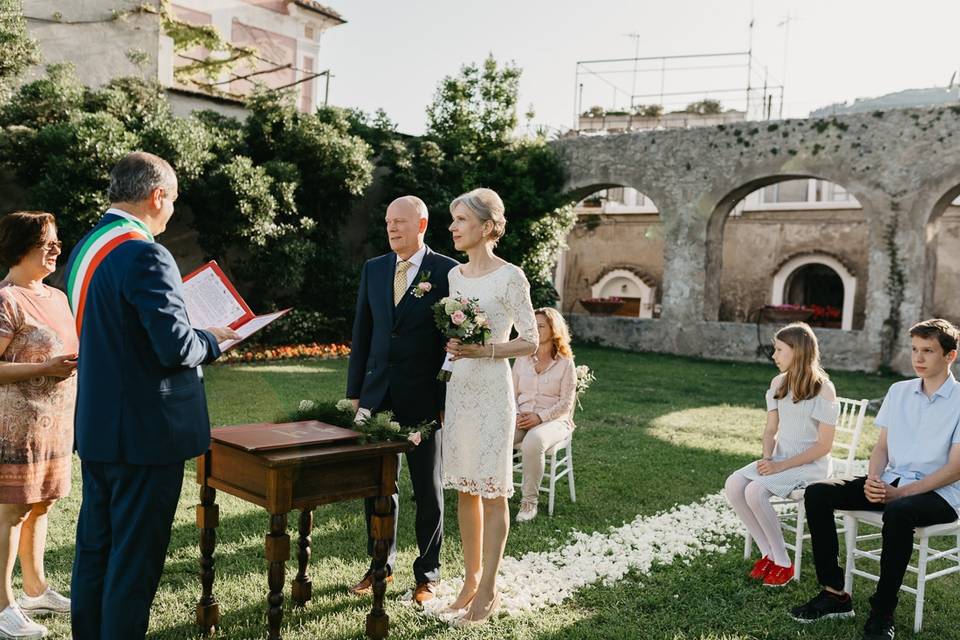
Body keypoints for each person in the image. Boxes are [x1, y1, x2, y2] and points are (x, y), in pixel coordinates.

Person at [65, 152, 238, 640]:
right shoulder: (146, 253)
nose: (172, 213)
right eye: (173, 201)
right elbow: (176, 346)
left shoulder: (88, 246)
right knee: (134, 564)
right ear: (156, 195)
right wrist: (214, 338)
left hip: (99, 426)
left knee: (96, 550)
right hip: (143, 434)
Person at [790, 318, 960, 640]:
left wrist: (902, 494)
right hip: (892, 480)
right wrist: (872, 478)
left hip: (941, 493)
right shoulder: (899, 391)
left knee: (898, 512)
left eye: (928, 351)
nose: (918, 358)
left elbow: (955, 468)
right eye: (914, 350)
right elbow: (881, 447)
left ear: (950, 356)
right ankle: (835, 594)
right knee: (817, 493)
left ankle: (882, 613)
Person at [345, 195, 457, 605]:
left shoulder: (447, 271)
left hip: (425, 397)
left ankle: (428, 575)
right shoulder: (374, 270)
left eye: (401, 222)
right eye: (389, 222)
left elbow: (452, 344)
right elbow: (363, 334)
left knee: (428, 488)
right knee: (377, 487)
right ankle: (380, 567)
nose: (392, 229)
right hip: (377, 396)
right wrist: (355, 394)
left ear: (422, 224)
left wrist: (446, 397)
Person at [442, 188, 538, 625]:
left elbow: (531, 341)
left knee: (493, 491)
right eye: (453, 219)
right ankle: (469, 579)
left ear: (486, 227)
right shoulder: (455, 277)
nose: (453, 227)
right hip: (459, 387)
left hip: (493, 391)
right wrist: (456, 345)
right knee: (465, 487)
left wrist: (488, 351)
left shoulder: (511, 276)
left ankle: (489, 591)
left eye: (461, 220)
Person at [0, 212, 77, 640]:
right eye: (47, 241)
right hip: (14, 425)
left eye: (56, 241)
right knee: (11, 510)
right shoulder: (6, 299)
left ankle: (35, 590)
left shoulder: (57, 297)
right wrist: (44, 367)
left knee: (42, 503)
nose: (56, 248)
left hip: (56, 423)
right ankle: (2, 606)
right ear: (21, 245)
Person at [725, 322, 839, 587]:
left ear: (797, 351)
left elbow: (824, 446)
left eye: (779, 350)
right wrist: (768, 458)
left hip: (811, 466)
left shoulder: (824, 389)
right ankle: (769, 553)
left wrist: (781, 466)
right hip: (780, 460)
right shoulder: (777, 383)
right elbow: (770, 430)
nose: (773, 356)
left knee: (754, 491)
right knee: (734, 484)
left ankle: (784, 564)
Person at [512, 307, 577, 523]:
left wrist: (539, 418)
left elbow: (566, 404)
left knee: (534, 441)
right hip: (522, 416)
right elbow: (510, 392)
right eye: (533, 325)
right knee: (501, 436)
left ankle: (529, 502)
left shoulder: (565, 363)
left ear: (554, 329)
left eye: (541, 326)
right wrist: (518, 413)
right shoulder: (522, 359)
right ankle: (494, 489)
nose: (536, 330)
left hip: (554, 421)